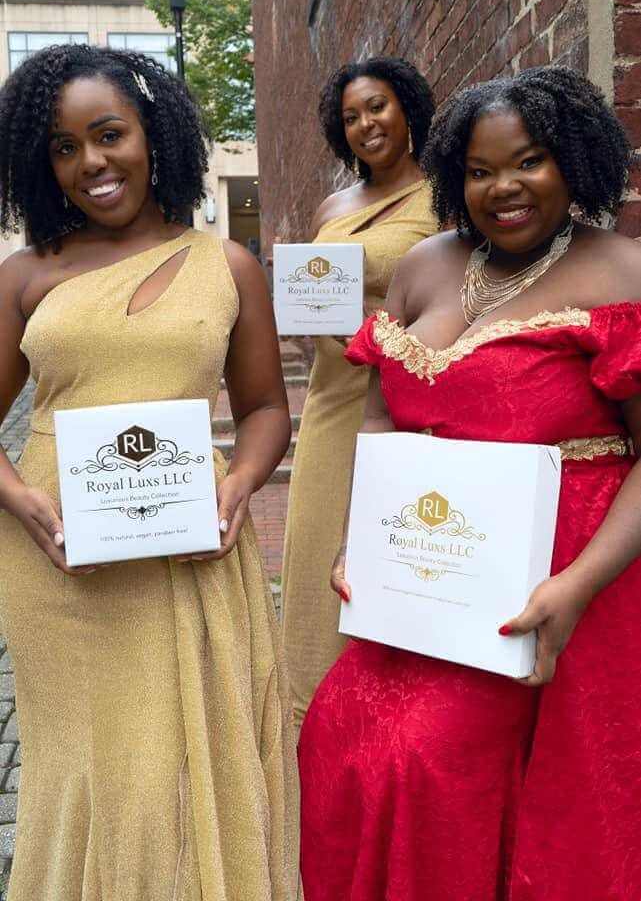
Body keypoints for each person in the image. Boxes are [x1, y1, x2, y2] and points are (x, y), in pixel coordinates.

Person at [298, 66, 641, 900]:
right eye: (479, 171)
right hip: (428, 576)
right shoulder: (423, 265)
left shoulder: (621, 272)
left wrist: (572, 586)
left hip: (561, 587)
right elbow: (380, 414)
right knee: (336, 735)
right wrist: (362, 541)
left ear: (573, 160)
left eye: (527, 162)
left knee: (440, 765)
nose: (503, 189)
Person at [0, 44, 299, 901]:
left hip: (186, 550)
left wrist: (238, 484)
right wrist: (21, 499)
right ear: (39, 162)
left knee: (171, 765)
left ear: (152, 135)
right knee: (94, 771)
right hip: (58, 565)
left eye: (108, 135)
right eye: (63, 147)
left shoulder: (226, 264)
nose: (91, 162)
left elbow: (266, 410)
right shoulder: (26, 275)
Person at [281, 56, 438, 728]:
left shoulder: (447, 194)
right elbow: (311, 319)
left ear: (407, 109)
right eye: (350, 117)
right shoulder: (332, 208)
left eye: (376, 107)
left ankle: (396, 724)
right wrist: (294, 300)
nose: (365, 124)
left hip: (409, 408)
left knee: (400, 557)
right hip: (329, 402)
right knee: (319, 562)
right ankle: (317, 724)